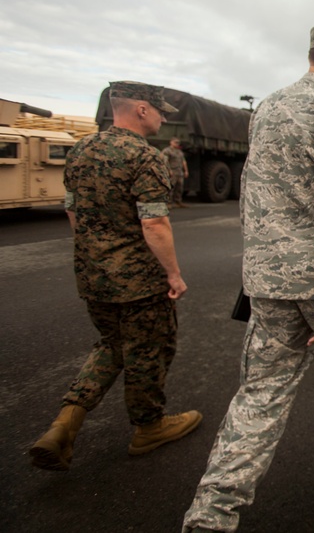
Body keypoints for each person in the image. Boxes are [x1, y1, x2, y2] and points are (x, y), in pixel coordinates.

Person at [183, 24, 314, 531]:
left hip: (268, 281)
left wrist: (259, 266)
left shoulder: (268, 109)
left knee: (259, 396)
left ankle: (211, 515)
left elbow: (253, 195)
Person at [29, 81, 201, 471]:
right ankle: (149, 427)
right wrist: (172, 274)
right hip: (138, 281)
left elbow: (72, 211)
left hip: (93, 274)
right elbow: (154, 222)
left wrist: (96, 251)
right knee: (148, 351)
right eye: (159, 112)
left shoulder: (81, 150)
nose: (162, 119)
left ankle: (65, 423)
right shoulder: (144, 156)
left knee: (112, 344)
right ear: (141, 109)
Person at [161, 137, 189, 208]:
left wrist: (186, 170)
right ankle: (168, 203)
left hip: (179, 171)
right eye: (175, 142)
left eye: (178, 143)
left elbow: (183, 162)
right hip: (172, 171)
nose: (177, 144)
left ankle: (178, 201)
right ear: (171, 142)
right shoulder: (167, 151)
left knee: (180, 187)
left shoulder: (179, 152)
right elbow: (165, 161)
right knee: (171, 187)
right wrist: (169, 170)